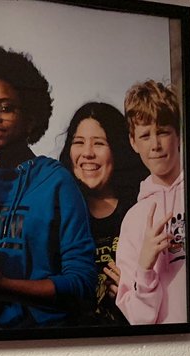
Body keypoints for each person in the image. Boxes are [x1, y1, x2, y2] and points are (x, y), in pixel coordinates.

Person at [0, 44, 96, 328]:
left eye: (6, 108)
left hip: (49, 340)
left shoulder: (56, 181)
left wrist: (5, 284)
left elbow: (82, 282)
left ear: (31, 115)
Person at [57, 101, 144, 326]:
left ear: (118, 149)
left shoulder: (140, 207)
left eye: (99, 143)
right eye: (79, 142)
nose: (87, 153)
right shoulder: (57, 210)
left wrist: (135, 288)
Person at [116, 80, 188, 325]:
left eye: (163, 131)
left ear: (178, 133)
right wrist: (145, 266)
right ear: (133, 142)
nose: (155, 145)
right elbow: (138, 320)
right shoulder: (133, 219)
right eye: (145, 135)